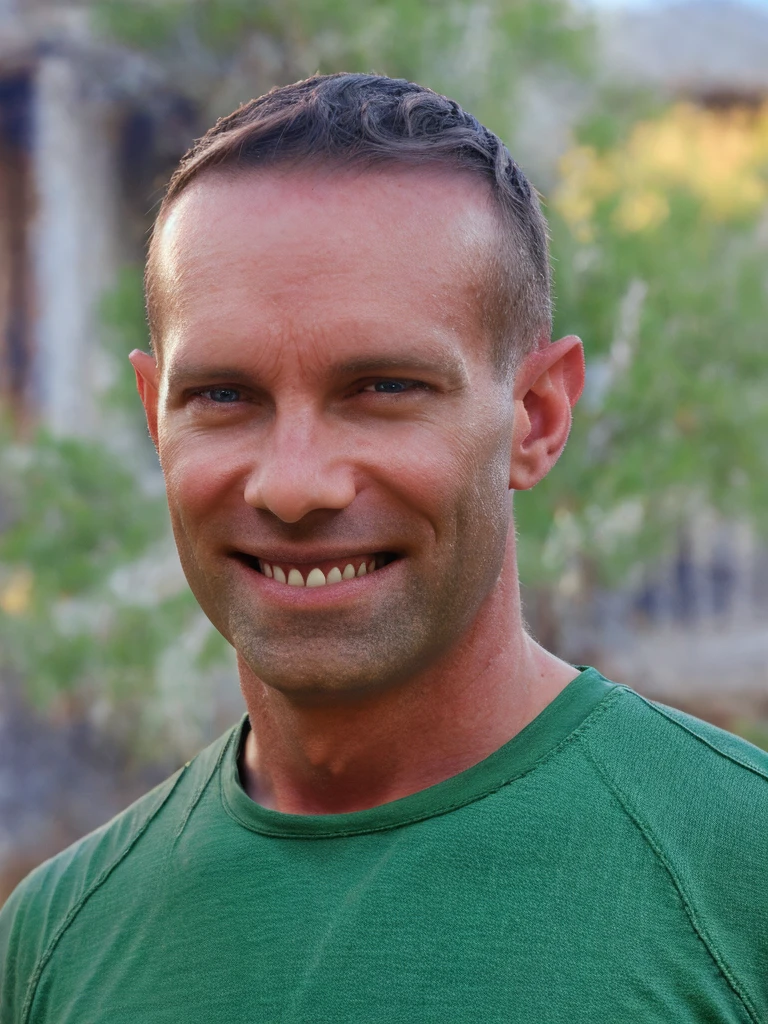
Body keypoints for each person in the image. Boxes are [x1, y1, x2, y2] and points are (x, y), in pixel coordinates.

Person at [1, 73, 766, 1023]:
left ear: (536, 416)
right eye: (224, 397)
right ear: (157, 420)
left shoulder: (741, 878)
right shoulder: (57, 941)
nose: (293, 484)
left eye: (383, 388)